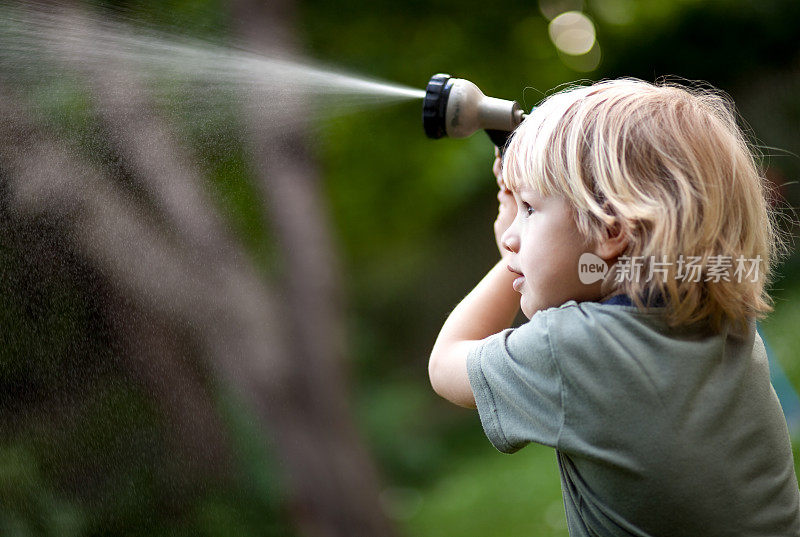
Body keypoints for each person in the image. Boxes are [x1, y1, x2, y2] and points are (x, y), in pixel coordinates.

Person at [427, 78, 800, 536]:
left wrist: (512, 263)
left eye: (528, 208)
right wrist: (523, 221)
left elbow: (446, 363)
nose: (510, 234)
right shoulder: (722, 316)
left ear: (609, 231)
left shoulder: (571, 348)